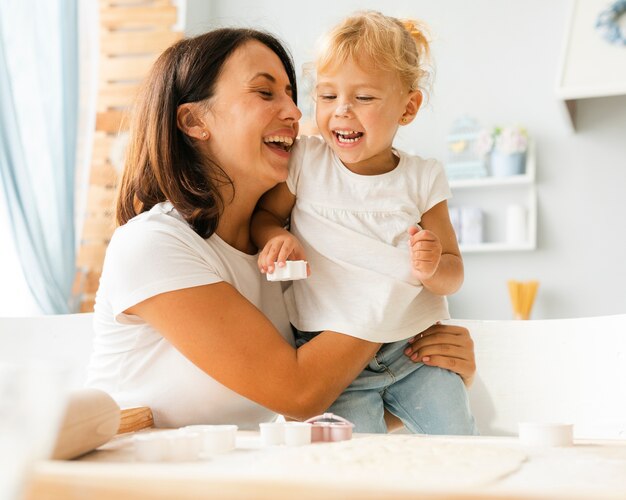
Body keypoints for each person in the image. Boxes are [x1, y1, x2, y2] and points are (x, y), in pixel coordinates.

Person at [85, 27, 476, 430]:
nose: (294, 111)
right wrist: (399, 289)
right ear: (194, 120)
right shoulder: (153, 244)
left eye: (291, 94)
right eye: (265, 92)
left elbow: (325, 401)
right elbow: (299, 393)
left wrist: (428, 368)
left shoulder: (293, 247)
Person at [252, 12, 477, 434]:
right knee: (349, 468)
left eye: (364, 98)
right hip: (331, 362)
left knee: (460, 444)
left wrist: (432, 268)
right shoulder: (307, 161)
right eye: (327, 95)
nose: (342, 112)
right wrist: (277, 237)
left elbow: (453, 272)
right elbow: (263, 217)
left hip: (415, 353)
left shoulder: (423, 177)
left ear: (407, 107)